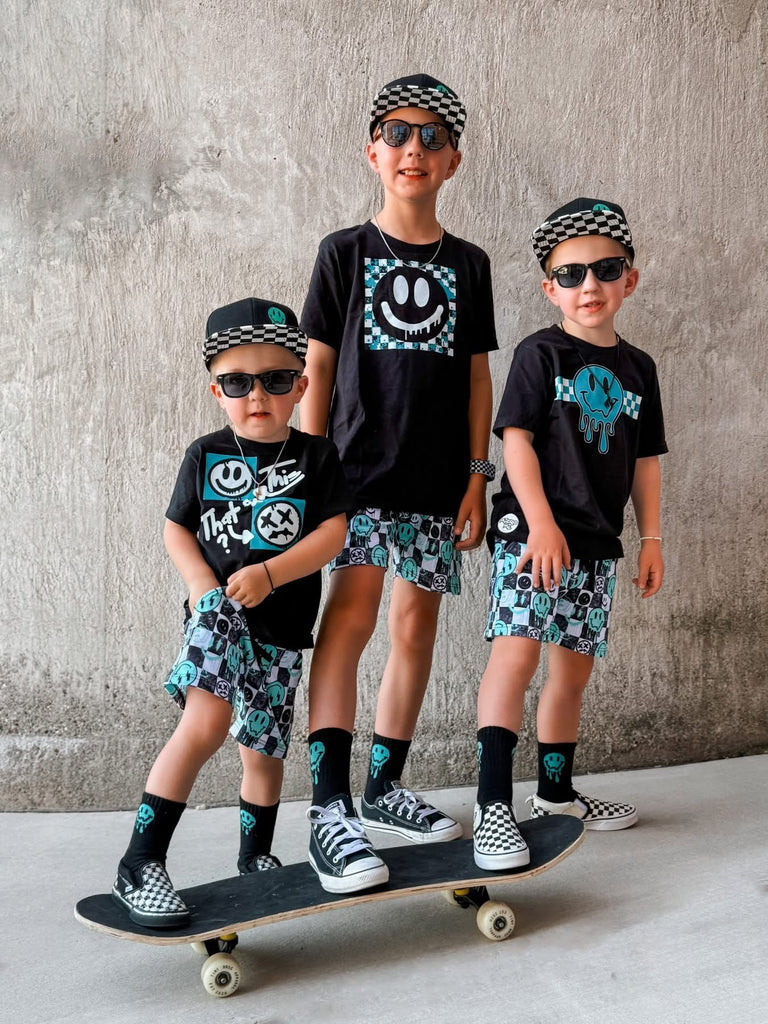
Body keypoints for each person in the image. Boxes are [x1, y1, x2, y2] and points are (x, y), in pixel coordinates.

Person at [299, 73, 497, 894]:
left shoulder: (470, 264)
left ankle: (384, 785)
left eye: (432, 137)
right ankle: (328, 806)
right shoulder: (343, 252)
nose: (414, 149)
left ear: (453, 161)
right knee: (348, 622)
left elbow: (478, 378)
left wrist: (476, 477)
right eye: (398, 133)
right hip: (352, 477)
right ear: (372, 151)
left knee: (415, 629)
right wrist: (307, 474)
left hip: (435, 483)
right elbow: (317, 367)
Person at [111, 297, 351, 927]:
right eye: (238, 382)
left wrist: (272, 574)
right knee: (206, 724)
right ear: (216, 389)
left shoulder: (316, 456)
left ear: (301, 385)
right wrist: (201, 586)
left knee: (263, 750)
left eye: (276, 380)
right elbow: (176, 527)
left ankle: (255, 857)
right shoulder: (205, 452)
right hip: (219, 616)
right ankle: (140, 860)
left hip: (283, 629)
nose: (258, 395)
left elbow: (333, 533)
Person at [473, 199, 667, 870]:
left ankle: (555, 796)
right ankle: (492, 805)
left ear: (629, 280)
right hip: (530, 534)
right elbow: (516, 441)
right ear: (550, 287)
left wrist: (651, 539)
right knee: (516, 657)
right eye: (572, 273)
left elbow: (646, 459)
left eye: (606, 270)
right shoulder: (541, 353)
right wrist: (542, 524)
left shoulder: (639, 369)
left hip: (595, 539)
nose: (590, 285)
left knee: (572, 670)